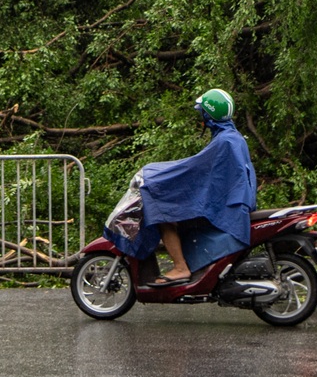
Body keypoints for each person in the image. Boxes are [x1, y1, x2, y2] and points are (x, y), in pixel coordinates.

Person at [107, 88, 256, 284]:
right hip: (233, 205)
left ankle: (180, 268)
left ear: (208, 114)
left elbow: (191, 170)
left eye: (201, 113)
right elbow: (198, 167)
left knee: (162, 214)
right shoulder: (231, 138)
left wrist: (153, 176)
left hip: (228, 211)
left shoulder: (225, 141)